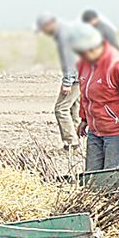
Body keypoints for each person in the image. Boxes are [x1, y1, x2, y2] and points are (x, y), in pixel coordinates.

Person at [74, 26, 119, 171]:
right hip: (95, 131)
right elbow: (85, 94)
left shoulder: (118, 66)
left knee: (113, 180)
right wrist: (84, 119)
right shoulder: (84, 65)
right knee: (93, 179)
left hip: (117, 133)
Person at [34, 13, 90, 149]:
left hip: (75, 78)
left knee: (61, 108)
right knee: (75, 109)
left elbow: (69, 61)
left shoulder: (64, 36)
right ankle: (79, 141)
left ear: (49, 25)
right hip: (84, 75)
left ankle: (71, 142)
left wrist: (67, 82)